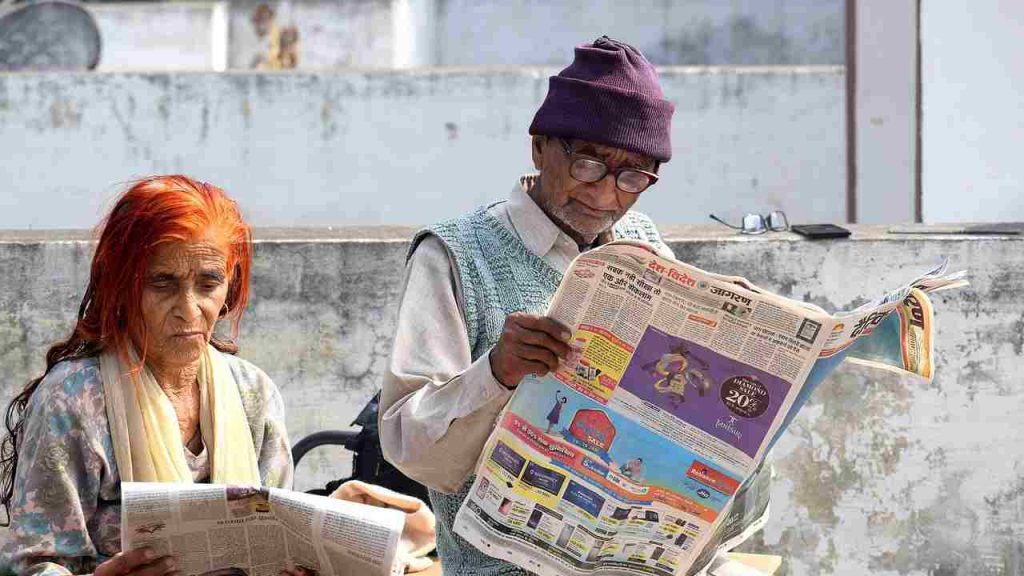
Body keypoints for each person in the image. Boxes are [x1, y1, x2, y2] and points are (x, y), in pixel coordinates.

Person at [380, 36, 676, 575]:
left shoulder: (642, 243)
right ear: (540, 147)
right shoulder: (454, 256)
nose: (606, 195)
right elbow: (408, 446)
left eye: (634, 177)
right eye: (589, 164)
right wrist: (497, 372)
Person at [0, 176, 295, 576]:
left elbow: (278, 538)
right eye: (162, 283)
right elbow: (30, 566)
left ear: (231, 285)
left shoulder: (252, 393)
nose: (189, 310)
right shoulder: (75, 401)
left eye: (209, 283)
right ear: (121, 288)